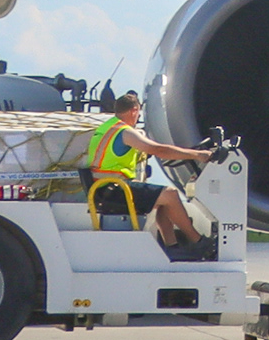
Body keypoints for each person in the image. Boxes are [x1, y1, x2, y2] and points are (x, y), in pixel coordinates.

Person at [88, 93, 218, 257]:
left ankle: (173, 248)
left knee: (164, 200)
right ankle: (199, 242)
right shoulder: (125, 132)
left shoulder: (107, 128)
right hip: (115, 190)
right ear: (134, 110)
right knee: (170, 194)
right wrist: (196, 155)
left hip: (105, 188)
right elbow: (158, 150)